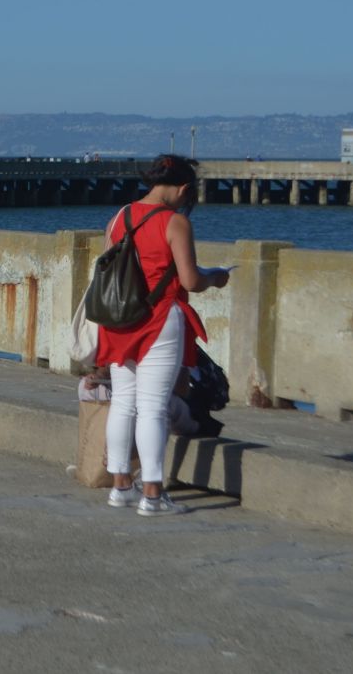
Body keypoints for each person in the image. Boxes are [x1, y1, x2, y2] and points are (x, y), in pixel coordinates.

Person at [98, 154, 229, 517]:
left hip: (120, 319)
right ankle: (153, 495)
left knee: (123, 401)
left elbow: (111, 268)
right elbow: (190, 281)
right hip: (159, 319)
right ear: (184, 188)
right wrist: (216, 276)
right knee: (153, 406)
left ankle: (120, 486)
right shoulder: (175, 223)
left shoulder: (119, 216)